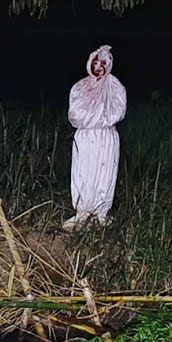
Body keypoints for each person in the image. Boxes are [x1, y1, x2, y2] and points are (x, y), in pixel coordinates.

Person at [64, 44, 127, 232]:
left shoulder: (115, 86)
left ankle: (101, 214)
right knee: (83, 172)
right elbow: (75, 114)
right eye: (95, 63)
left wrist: (96, 118)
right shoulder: (79, 87)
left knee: (104, 173)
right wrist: (95, 118)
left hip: (106, 137)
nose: (98, 67)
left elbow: (117, 111)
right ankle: (82, 213)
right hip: (85, 137)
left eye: (103, 63)